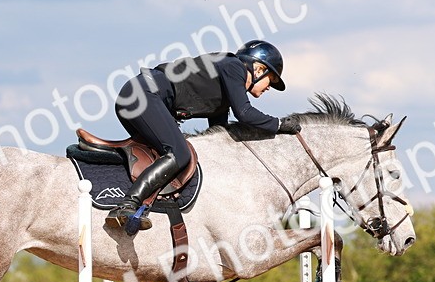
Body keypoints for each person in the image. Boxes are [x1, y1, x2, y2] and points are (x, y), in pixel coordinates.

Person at [106, 40, 301, 232]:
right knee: (179, 154)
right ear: (258, 69)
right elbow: (245, 113)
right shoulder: (234, 67)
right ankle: (128, 205)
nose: (268, 88)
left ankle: (141, 204)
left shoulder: (223, 90)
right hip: (144, 95)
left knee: (160, 156)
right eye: (271, 80)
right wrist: (279, 124)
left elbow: (219, 135)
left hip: (137, 95)